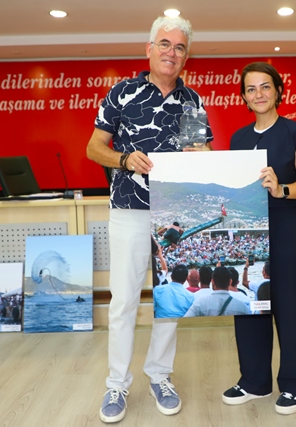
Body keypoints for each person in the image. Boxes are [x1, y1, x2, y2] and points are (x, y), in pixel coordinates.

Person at [85, 15, 213, 424]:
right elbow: (93, 147)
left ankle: (159, 375)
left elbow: (203, 155)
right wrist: (124, 159)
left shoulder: (193, 101)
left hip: (173, 215)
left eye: (179, 47)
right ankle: (116, 384)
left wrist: (204, 155)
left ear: (186, 57)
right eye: (164, 44)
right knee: (123, 301)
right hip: (128, 211)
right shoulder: (122, 93)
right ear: (149, 48)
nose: (171, 52)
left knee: (168, 302)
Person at [222, 62, 296, 415]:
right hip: (251, 234)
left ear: (278, 91)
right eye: (251, 89)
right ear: (244, 97)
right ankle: (254, 381)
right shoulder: (238, 139)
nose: (259, 94)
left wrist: (283, 190)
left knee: (290, 308)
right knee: (249, 306)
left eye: (265, 86)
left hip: (284, 230)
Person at [183, 266, 250, 317]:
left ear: (212, 281)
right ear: (230, 282)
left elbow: (183, 322)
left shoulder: (200, 303)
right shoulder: (242, 306)